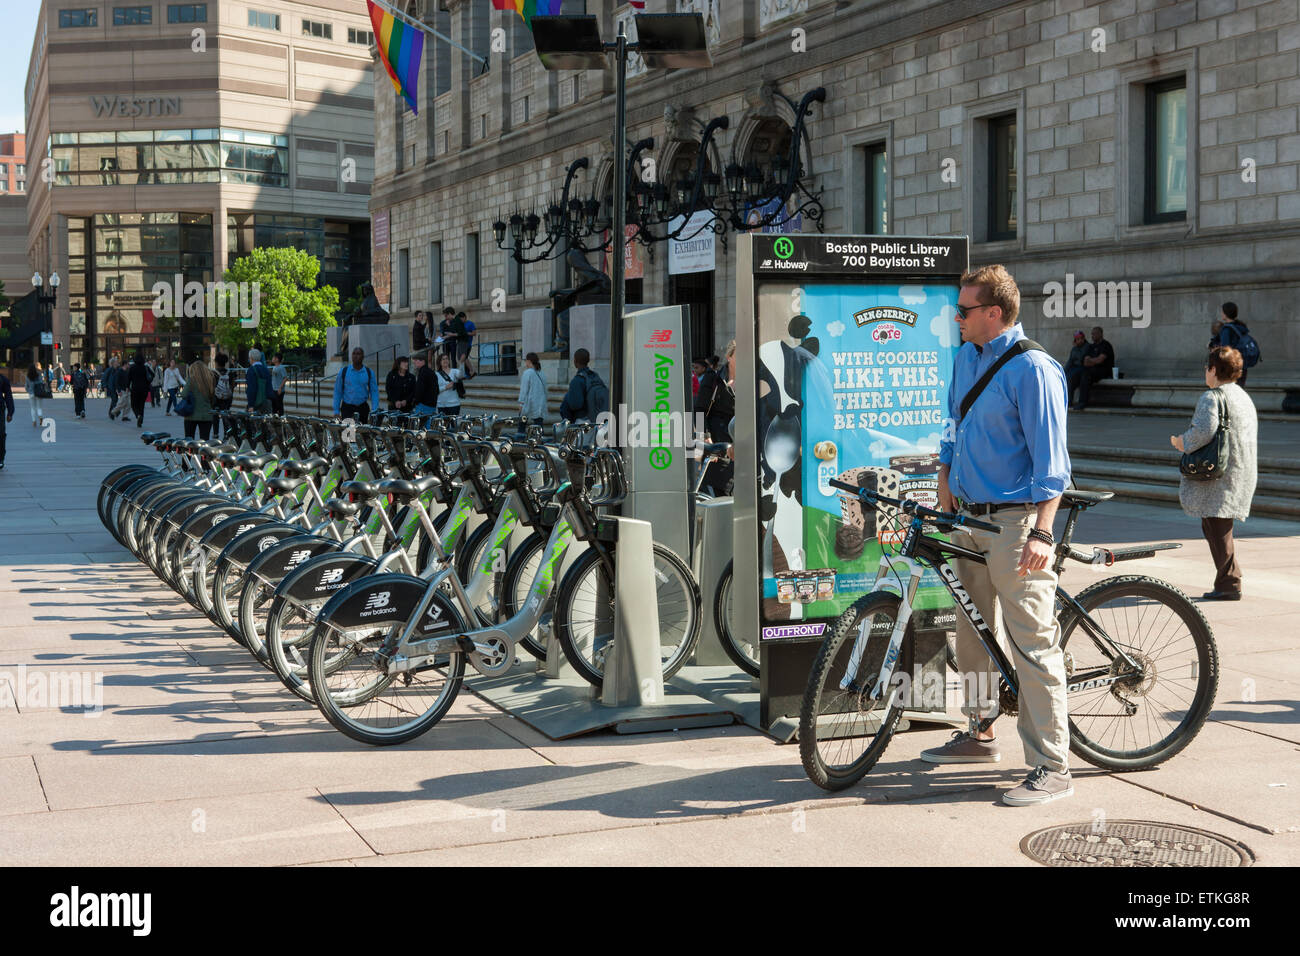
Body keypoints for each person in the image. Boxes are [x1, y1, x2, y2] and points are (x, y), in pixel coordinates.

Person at [924, 264, 1074, 807]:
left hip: (1015, 522)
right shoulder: (966, 357)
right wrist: (943, 473)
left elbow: (1052, 463)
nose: (956, 317)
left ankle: (1052, 765)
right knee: (972, 631)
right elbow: (952, 422)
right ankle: (980, 730)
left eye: (964, 310)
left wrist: (1042, 532)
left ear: (994, 313)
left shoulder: (1033, 369)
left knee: (1031, 642)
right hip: (967, 515)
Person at [1170, 346, 1258, 601]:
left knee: (1217, 527)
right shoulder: (1242, 396)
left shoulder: (1212, 397)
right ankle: (1227, 579)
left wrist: (1180, 442)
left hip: (1219, 473)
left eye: (1207, 368)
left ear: (1213, 370)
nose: (1205, 372)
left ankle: (1230, 583)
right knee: (1216, 526)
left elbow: (1202, 433)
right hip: (1239, 470)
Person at [1210, 302, 1256, 389]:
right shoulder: (1241, 326)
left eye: (1222, 312)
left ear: (1226, 314)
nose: (1221, 314)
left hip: (1230, 369)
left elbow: (1224, 351)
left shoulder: (1226, 330)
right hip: (1242, 366)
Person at [1067, 326, 1114, 411]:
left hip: (1103, 370)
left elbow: (1100, 360)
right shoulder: (1091, 347)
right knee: (1074, 376)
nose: (1092, 336)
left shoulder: (1106, 345)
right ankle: (1069, 401)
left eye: (1094, 334)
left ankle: (1082, 402)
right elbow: (1085, 362)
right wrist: (1092, 361)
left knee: (1086, 375)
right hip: (1091, 369)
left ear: (1100, 334)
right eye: (1092, 334)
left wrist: (1091, 360)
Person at [558, 348, 608, 423]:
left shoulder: (577, 380)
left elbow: (574, 405)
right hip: (597, 420)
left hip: (582, 422)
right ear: (588, 360)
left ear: (575, 361)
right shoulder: (595, 376)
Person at [694, 356, 735, 445]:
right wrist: (705, 437)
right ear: (729, 357)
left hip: (743, 443)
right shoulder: (713, 378)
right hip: (717, 442)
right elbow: (699, 409)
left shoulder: (753, 379)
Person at [332, 346, 379, 423]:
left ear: (363, 356)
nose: (355, 356)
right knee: (348, 434)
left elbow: (374, 392)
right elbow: (337, 392)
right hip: (347, 408)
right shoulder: (344, 371)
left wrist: (374, 410)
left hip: (363, 408)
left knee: (363, 433)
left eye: (358, 354)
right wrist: (336, 411)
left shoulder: (369, 372)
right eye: (353, 354)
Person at [178, 359, 217, 440]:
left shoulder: (191, 380)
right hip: (206, 415)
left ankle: (191, 453)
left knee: (189, 441)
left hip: (191, 415)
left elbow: (183, 394)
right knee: (205, 440)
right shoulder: (210, 380)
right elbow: (213, 396)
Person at [433, 351, 471, 418]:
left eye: (447, 358)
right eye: (443, 359)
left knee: (453, 425)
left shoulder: (454, 371)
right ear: (439, 362)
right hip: (441, 405)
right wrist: (445, 387)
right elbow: (434, 390)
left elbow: (461, 375)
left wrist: (461, 363)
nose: (445, 360)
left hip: (454, 404)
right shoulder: (436, 374)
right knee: (444, 426)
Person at [518, 352, 547, 424]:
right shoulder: (542, 373)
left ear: (529, 361)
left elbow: (524, 390)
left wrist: (521, 404)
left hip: (528, 404)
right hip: (541, 404)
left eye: (526, 361)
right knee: (538, 427)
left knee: (522, 427)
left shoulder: (527, 373)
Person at [410, 351, 440, 417]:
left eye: (415, 360)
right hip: (431, 404)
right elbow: (437, 390)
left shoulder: (423, 372)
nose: (414, 362)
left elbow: (419, 390)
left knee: (422, 425)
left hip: (424, 405)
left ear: (422, 361)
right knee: (428, 425)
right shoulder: (430, 372)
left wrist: (415, 401)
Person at [127, 351, 152, 427]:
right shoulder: (145, 367)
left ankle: (138, 415)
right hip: (144, 389)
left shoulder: (132, 367)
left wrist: (127, 387)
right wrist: (148, 384)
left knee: (134, 404)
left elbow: (128, 378)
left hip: (135, 388)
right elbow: (152, 375)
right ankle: (140, 420)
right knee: (141, 404)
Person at [211, 353, 233, 438]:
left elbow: (212, 385)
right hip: (227, 399)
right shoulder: (229, 372)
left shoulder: (214, 373)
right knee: (225, 416)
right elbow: (232, 385)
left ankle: (216, 434)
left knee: (215, 415)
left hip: (216, 398)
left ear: (216, 362)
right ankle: (226, 434)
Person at [245, 348, 273, 413]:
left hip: (256, 402)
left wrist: (251, 405)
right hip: (267, 401)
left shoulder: (251, 370)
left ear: (251, 358)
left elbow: (252, 388)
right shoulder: (266, 369)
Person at [26, 363, 47, 428]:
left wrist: (28, 391)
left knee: (32, 408)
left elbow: (26, 386)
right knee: (39, 407)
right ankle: (40, 417)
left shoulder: (28, 376)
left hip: (31, 393)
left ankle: (34, 421)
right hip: (38, 393)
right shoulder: (39, 375)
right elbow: (42, 382)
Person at [0, 371, 12, 469]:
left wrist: (10, 412)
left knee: (1, 433)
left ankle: (0, 458)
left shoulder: (2, 379)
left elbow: (8, 395)